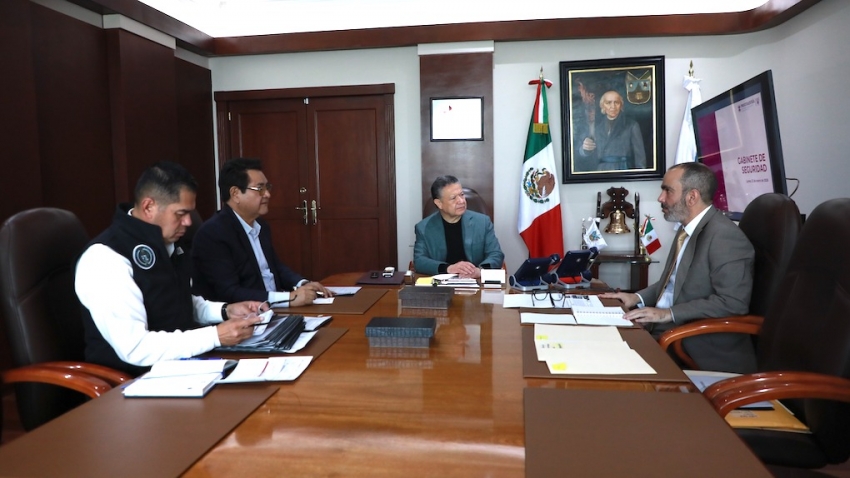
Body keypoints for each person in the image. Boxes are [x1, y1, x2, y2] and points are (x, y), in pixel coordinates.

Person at [75, 161, 264, 376]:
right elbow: (135, 348)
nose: (188, 222)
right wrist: (215, 336)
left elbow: (174, 302)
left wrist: (224, 311)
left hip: (182, 366)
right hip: (134, 380)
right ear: (149, 207)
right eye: (180, 214)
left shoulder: (168, 244)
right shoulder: (105, 258)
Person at [600, 162, 757, 374]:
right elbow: (672, 284)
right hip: (665, 330)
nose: (660, 198)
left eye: (668, 191)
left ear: (692, 197)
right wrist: (635, 298)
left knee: (610, 363)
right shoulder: (686, 230)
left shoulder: (724, 237)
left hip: (693, 345)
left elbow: (733, 302)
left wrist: (667, 314)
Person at [191, 157, 328, 305]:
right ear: (235, 193)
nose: (267, 194)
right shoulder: (213, 233)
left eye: (267, 187)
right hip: (247, 315)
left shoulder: (261, 226)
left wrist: (302, 283)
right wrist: (289, 298)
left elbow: (276, 268)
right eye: (260, 189)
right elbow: (229, 292)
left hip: (275, 309)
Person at [413, 175, 504, 278]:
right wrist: (448, 268)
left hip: (476, 282)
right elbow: (419, 261)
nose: (461, 201)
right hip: (441, 283)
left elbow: (496, 254)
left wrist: (479, 271)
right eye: (453, 198)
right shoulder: (423, 228)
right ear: (439, 203)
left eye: (462, 195)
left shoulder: (483, 222)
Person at [575, 90, 647, 172]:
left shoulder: (632, 126)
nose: (613, 106)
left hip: (623, 170)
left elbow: (640, 159)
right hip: (602, 172)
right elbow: (582, 155)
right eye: (608, 103)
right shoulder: (597, 128)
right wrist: (585, 149)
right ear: (603, 106)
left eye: (616, 102)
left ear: (621, 105)